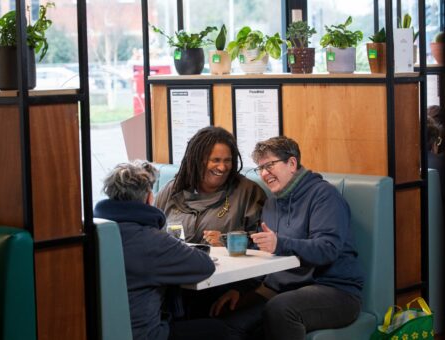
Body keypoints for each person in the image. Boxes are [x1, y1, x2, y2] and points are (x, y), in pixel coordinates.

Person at [210, 136, 364, 340]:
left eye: (270, 165)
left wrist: (280, 243)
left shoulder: (324, 196)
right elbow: (262, 253)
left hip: (335, 290)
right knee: (227, 321)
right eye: (260, 168)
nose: (264, 173)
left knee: (281, 309)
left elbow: (327, 249)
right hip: (282, 289)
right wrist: (241, 289)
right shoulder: (272, 204)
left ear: (292, 163)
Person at [94, 161, 227, 340]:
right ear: (150, 198)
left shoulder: (93, 233)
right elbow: (204, 266)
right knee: (218, 329)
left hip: (96, 331)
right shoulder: (151, 240)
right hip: (143, 335)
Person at [155, 126, 267, 246]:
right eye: (215, 160)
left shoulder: (248, 192)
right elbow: (152, 235)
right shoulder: (172, 190)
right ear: (196, 161)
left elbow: (260, 244)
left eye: (227, 160)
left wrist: (226, 242)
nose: (222, 167)